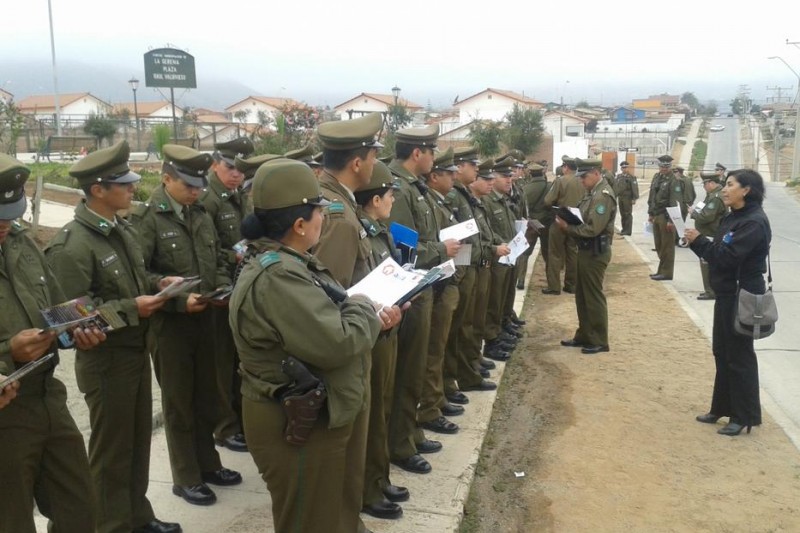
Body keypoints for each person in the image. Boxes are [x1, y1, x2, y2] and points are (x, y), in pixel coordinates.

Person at [227, 158, 400, 533]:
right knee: (310, 522)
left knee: (331, 516)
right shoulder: (279, 276)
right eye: (319, 211)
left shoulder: (291, 263)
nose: (325, 218)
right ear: (300, 225)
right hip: (298, 424)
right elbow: (337, 341)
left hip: (316, 415)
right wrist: (362, 304)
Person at [45, 141, 182, 533]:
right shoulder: (72, 244)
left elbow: (133, 280)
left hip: (135, 351)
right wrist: (130, 309)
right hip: (106, 360)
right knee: (111, 453)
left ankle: (136, 516)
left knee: (136, 445)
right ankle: (111, 524)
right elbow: (69, 317)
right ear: (98, 190)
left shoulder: (119, 229)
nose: (132, 189)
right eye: (122, 184)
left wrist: (160, 284)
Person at [130, 144, 241, 506]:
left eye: (198, 184)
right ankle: (186, 476)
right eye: (188, 184)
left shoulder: (199, 214)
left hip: (206, 315)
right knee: (179, 402)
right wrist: (178, 300)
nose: (195, 191)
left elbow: (215, 259)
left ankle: (208, 463)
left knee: (207, 395)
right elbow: (140, 276)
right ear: (165, 179)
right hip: (170, 327)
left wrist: (223, 287)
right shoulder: (149, 220)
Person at [0, 153, 105, 532]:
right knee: (11, 521)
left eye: (9, 212)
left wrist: (77, 329)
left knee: (80, 509)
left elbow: (59, 307)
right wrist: (8, 351)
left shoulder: (20, 243)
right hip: (5, 411)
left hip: (48, 398)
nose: (5, 223)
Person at [387, 124, 460, 475]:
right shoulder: (399, 190)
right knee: (406, 372)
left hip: (424, 288)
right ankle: (399, 442)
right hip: (409, 292)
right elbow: (403, 248)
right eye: (432, 151)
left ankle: (410, 432)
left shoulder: (415, 188)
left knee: (416, 369)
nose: (434, 157)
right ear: (418, 153)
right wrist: (440, 250)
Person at [685, 169, 771, 436]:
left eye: (730, 185)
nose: (724, 189)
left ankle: (744, 416)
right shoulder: (734, 217)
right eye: (724, 184)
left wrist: (699, 241)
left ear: (746, 190)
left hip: (742, 296)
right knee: (723, 353)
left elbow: (727, 257)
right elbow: (719, 252)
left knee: (740, 356)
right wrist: (698, 242)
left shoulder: (753, 222)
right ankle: (721, 407)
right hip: (726, 294)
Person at [353, 160, 406, 520]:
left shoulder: (380, 230)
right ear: (374, 200)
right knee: (370, 417)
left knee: (383, 407)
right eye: (389, 195)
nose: (392, 201)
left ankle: (379, 476)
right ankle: (367, 489)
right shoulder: (358, 231)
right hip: (370, 332)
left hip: (388, 327)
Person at [201, 137, 255, 453]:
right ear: (215, 164)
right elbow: (206, 250)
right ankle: (225, 426)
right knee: (221, 363)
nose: (236, 175)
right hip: (220, 288)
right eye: (229, 168)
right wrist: (230, 259)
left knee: (238, 359)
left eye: (240, 170)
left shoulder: (236, 196)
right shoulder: (209, 199)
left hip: (239, 284)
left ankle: (239, 420)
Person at [557, 159, 617, 355]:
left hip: (595, 252)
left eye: (584, 177)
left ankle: (599, 339)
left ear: (596, 173)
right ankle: (584, 334)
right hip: (586, 250)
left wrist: (569, 227)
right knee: (582, 296)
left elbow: (593, 229)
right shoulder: (592, 193)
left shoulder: (602, 196)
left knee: (593, 296)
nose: (581, 181)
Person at [543, 156, 582, 294]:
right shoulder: (582, 180)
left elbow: (548, 201)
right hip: (577, 221)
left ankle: (554, 286)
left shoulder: (560, 181)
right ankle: (571, 285)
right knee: (573, 253)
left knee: (554, 253)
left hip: (560, 220)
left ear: (565, 167)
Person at [690, 172, 728, 301]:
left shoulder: (716, 197)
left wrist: (694, 213)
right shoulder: (711, 195)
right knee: (706, 263)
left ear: (711, 183)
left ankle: (711, 291)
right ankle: (710, 290)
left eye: (705, 184)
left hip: (712, 233)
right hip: (709, 232)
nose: (704, 187)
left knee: (707, 263)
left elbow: (707, 216)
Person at [647, 155, 684, 281]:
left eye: (666, 166)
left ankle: (666, 273)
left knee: (667, 246)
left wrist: (671, 220)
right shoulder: (657, 177)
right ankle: (661, 270)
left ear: (670, 167)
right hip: (656, 214)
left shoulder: (674, 180)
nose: (663, 168)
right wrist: (650, 213)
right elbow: (652, 195)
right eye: (661, 166)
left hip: (665, 215)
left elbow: (674, 201)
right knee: (659, 245)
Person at [517, 161, 551, 289]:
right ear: (542, 173)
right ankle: (551, 282)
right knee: (548, 253)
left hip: (531, 225)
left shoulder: (525, 189)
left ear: (530, 173)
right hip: (546, 224)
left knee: (524, 252)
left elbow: (522, 208)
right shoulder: (550, 187)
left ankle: (521, 281)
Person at [612, 161, 638, 236]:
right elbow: (616, 187)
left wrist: (634, 198)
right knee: (622, 214)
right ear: (621, 168)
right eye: (623, 167)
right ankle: (624, 229)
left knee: (628, 214)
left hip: (628, 198)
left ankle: (628, 231)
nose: (624, 169)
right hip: (621, 197)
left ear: (628, 168)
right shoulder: (619, 177)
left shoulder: (631, 177)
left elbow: (634, 188)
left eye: (625, 167)